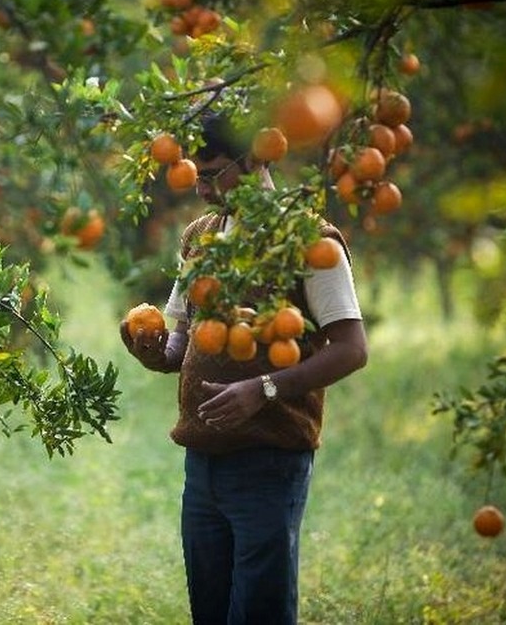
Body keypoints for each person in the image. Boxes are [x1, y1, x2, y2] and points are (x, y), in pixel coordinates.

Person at [120, 112, 368, 625]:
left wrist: (266, 389)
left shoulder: (307, 240)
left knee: (259, 614)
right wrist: (154, 352)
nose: (202, 189)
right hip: (203, 461)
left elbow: (351, 348)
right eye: (195, 175)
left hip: (268, 461)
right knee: (209, 612)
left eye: (211, 173)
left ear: (255, 157)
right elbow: (182, 341)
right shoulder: (199, 237)